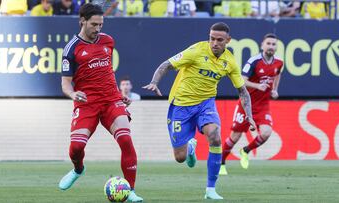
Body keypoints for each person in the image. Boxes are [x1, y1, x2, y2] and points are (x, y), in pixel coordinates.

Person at [143, 22, 256, 200]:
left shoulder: (230, 61)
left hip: (206, 104)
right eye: (212, 38)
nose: (215, 43)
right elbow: (166, 64)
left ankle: (211, 189)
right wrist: (154, 82)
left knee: (215, 136)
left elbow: (242, 91)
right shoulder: (196, 51)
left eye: (219, 40)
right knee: (179, 158)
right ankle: (189, 149)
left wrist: (249, 115)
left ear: (228, 40)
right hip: (181, 105)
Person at [58, 3, 143, 202]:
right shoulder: (71, 49)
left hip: (110, 101)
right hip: (86, 103)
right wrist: (73, 95)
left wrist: (117, 93)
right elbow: (65, 85)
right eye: (94, 24)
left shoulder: (108, 41)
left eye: (101, 24)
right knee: (76, 148)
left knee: (125, 140)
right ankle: (78, 169)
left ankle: (129, 190)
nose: (98, 29)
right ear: (82, 21)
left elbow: (106, 71)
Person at [219, 33, 283, 175]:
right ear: (262, 45)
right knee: (235, 137)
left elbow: (278, 74)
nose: (271, 46)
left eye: (273, 44)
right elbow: (242, 80)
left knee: (266, 133)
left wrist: (275, 90)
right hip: (246, 103)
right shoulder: (254, 61)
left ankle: (245, 150)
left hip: (262, 105)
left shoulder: (279, 62)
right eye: (268, 43)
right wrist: (257, 85)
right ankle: (221, 162)